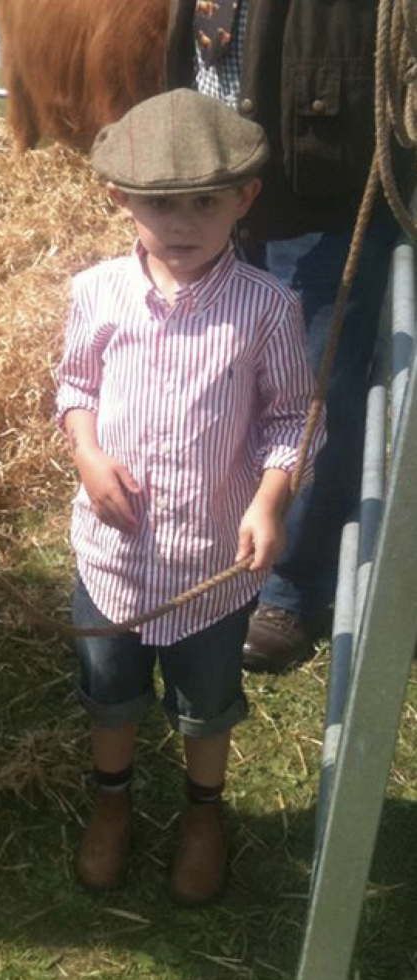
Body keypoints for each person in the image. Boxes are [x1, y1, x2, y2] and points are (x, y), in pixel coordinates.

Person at [55, 88, 323, 902]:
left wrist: (269, 501)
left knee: (207, 701)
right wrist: (88, 455)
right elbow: (75, 386)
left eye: (206, 202)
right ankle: (112, 802)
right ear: (120, 199)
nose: (183, 223)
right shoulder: (96, 292)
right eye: (161, 203)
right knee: (111, 689)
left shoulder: (268, 308)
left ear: (245, 198)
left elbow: (292, 417)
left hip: (213, 565)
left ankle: (203, 813)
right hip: (114, 558)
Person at [166, 0, 409, 672]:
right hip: (216, 172)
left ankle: (291, 587)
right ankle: (231, 542)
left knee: (313, 381)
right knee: (224, 360)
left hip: (322, 176)